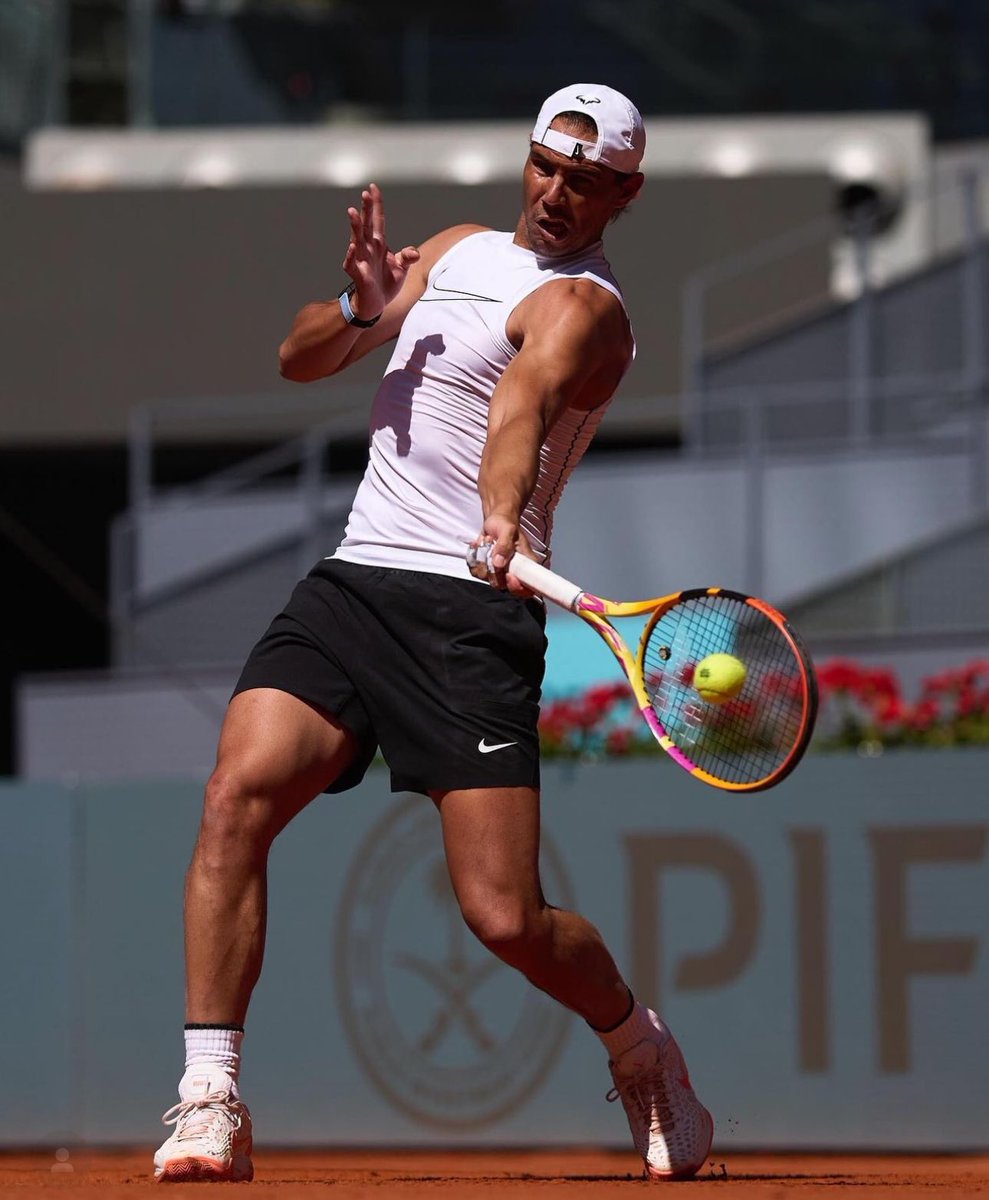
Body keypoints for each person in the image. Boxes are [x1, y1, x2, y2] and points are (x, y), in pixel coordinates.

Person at [153, 83, 713, 1184]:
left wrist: (502, 518)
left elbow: (518, 405)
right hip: (356, 582)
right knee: (235, 795)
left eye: (587, 182)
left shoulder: (586, 309)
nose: (557, 195)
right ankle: (208, 1096)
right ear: (526, 160)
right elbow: (300, 358)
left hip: (470, 618)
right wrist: (365, 308)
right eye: (546, 168)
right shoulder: (454, 248)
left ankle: (638, 1047)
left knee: (504, 919)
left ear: (624, 193)